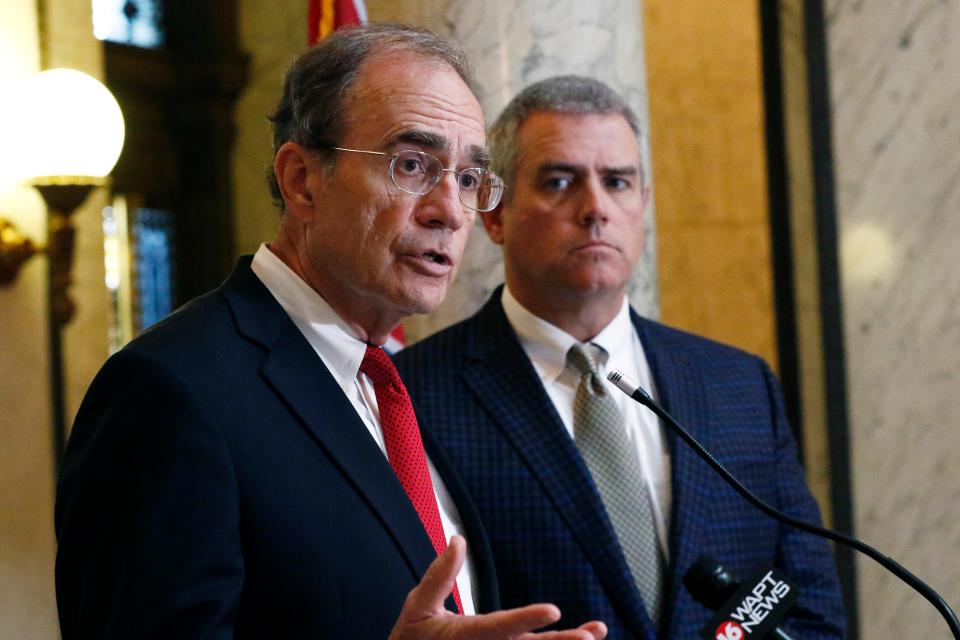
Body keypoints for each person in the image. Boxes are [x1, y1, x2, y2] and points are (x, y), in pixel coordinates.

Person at [54, 27, 606, 640]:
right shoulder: (168, 391)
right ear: (301, 180)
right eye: (413, 164)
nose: (450, 210)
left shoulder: (391, 385)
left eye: (470, 178)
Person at [395, 75, 847, 639]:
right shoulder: (411, 396)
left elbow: (812, 611)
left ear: (644, 204)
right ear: (495, 213)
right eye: (560, 182)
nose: (595, 209)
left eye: (617, 182)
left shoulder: (739, 384)